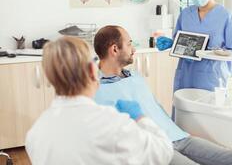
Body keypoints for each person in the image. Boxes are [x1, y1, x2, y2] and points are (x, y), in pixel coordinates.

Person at [93, 25, 232, 165]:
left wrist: (178, 131)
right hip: (154, 147)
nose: (133, 49)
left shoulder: (134, 76)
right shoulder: (97, 90)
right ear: (115, 49)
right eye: (129, 44)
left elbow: (156, 108)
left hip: (180, 137)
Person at [25, 36, 173, 165]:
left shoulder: (35, 133)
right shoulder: (111, 122)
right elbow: (162, 152)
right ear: (92, 70)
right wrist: (141, 118)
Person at [158, 0, 232, 92]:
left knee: (207, 110)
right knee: (183, 110)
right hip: (185, 77)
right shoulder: (185, 14)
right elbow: (179, 41)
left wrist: (207, 52)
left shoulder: (226, 16)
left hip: (212, 80)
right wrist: (172, 43)